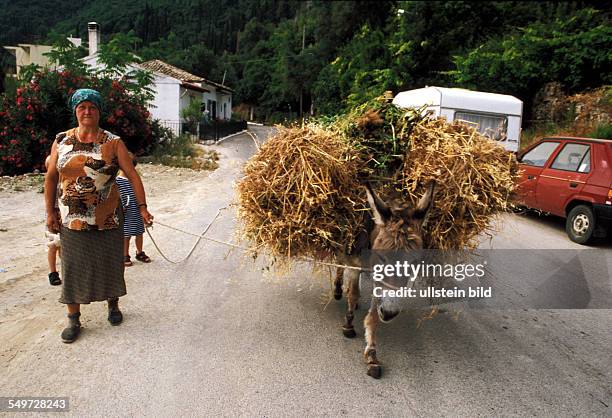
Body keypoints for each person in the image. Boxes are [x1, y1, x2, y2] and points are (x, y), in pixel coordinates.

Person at [44, 88, 154, 343]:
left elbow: (133, 176)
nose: (87, 111)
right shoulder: (61, 140)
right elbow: (50, 178)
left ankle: (113, 305)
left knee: (111, 263)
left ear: (99, 111)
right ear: (75, 111)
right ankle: (73, 319)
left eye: (92, 107)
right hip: (71, 219)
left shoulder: (113, 143)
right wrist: (49, 211)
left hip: (108, 218)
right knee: (72, 267)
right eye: (82, 107)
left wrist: (142, 207)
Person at [116, 155, 152, 266]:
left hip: (136, 211)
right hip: (126, 213)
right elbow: (117, 197)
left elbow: (140, 195)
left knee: (139, 232)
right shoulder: (118, 181)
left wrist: (144, 211)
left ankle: (139, 252)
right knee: (126, 234)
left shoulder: (134, 180)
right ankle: (125, 254)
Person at [44, 156, 62, 286]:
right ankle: (53, 272)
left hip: (64, 218)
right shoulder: (50, 184)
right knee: (53, 245)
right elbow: (49, 205)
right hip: (54, 218)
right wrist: (51, 216)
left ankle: (66, 271)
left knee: (64, 246)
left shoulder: (65, 182)